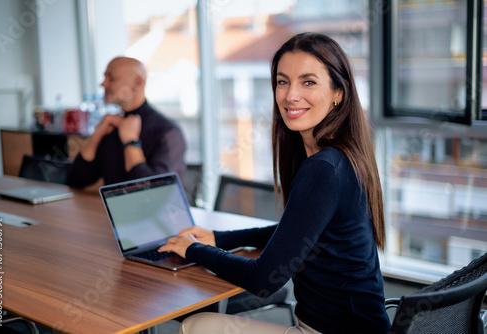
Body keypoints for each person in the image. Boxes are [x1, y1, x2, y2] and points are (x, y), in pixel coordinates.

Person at [159, 32, 391, 334]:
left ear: (339, 93)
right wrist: (218, 237)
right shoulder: (344, 155)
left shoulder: (323, 168)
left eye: (308, 82)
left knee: (196, 326)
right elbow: (297, 233)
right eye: (283, 82)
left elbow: (264, 280)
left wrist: (193, 250)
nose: (291, 95)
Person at [66, 56, 186, 188]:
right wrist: (96, 136)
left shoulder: (168, 132)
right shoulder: (111, 126)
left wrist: (131, 142)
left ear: (138, 82)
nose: (103, 84)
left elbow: (153, 192)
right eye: (104, 77)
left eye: (111, 78)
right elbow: (75, 181)